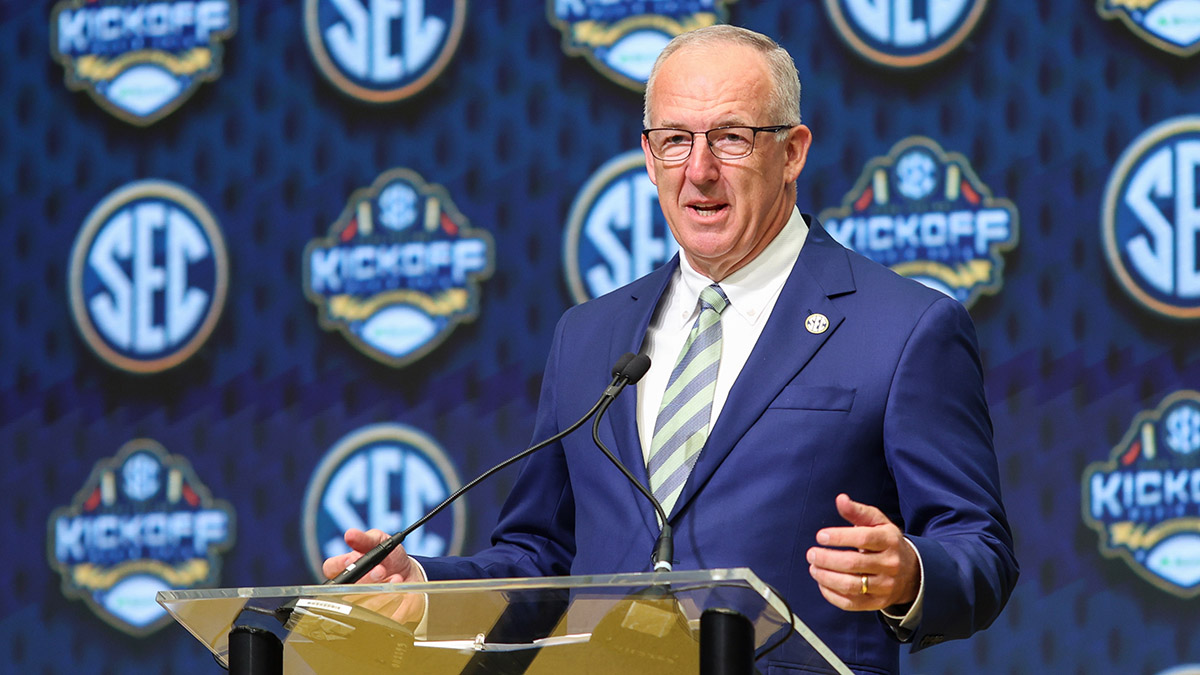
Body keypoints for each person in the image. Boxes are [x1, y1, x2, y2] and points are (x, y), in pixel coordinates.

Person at [324, 25, 1018, 674]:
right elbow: (544, 556)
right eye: (675, 140)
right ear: (649, 156)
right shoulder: (589, 336)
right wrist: (425, 586)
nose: (701, 169)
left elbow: (979, 550)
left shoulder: (904, 328)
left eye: (732, 138)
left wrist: (910, 574)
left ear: (794, 151)